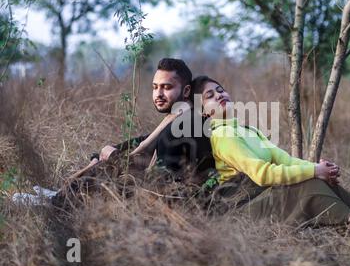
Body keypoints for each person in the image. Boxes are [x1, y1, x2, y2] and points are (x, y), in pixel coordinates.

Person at [190, 75, 350, 248]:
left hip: (264, 195)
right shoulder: (222, 135)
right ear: (203, 111)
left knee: (322, 180)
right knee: (310, 184)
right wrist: (313, 172)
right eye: (209, 96)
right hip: (245, 209)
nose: (219, 95)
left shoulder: (248, 130)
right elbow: (262, 174)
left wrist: (320, 170)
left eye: (220, 90)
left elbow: (286, 160)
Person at [13, 58, 215, 207]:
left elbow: (159, 180)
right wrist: (103, 154)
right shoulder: (178, 116)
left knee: (112, 169)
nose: (158, 94)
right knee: (110, 158)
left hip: (165, 202)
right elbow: (143, 141)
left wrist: (116, 160)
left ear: (186, 91)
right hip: (151, 192)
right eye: (155, 87)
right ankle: (60, 196)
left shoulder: (188, 124)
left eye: (166, 87)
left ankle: (57, 202)